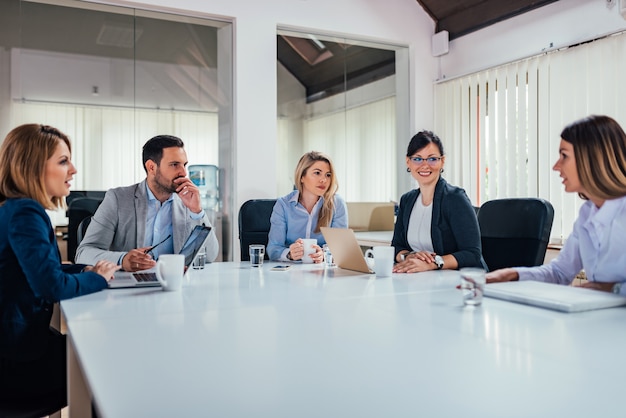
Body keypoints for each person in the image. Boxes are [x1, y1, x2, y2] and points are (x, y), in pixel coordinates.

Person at [0, 124, 119, 404]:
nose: (73, 170)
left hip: (16, 345)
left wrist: (84, 270)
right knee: (107, 360)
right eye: (63, 161)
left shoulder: (15, 208)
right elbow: (50, 286)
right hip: (16, 362)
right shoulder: (26, 213)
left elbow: (39, 271)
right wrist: (98, 279)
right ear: (32, 167)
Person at [487, 115, 626, 294]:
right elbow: (560, 272)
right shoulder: (587, 212)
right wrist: (512, 274)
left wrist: (613, 288)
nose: (556, 166)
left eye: (564, 156)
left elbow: (603, 287)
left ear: (592, 158)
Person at [75, 135, 219, 271]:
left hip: (173, 284)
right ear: (151, 167)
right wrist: (123, 259)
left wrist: (197, 211)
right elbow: (83, 253)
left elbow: (211, 256)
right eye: (175, 164)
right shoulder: (118, 199)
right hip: (128, 287)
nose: (183, 172)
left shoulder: (188, 203)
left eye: (184, 165)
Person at [392, 130, 485, 273]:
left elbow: (472, 253)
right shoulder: (407, 200)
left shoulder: (455, 198)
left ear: (442, 161)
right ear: (408, 162)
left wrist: (434, 262)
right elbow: (397, 247)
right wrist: (409, 256)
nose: (425, 165)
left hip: (457, 283)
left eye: (432, 159)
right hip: (420, 280)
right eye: (417, 158)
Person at [268, 151, 348, 262]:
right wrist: (290, 254)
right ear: (302, 177)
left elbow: (341, 248)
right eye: (317, 173)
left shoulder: (337, 204)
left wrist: (324, 255)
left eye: (328, 175)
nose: (323, 180)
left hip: (323, 273)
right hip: (290, 273)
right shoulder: (283, 205)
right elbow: (273, 248)